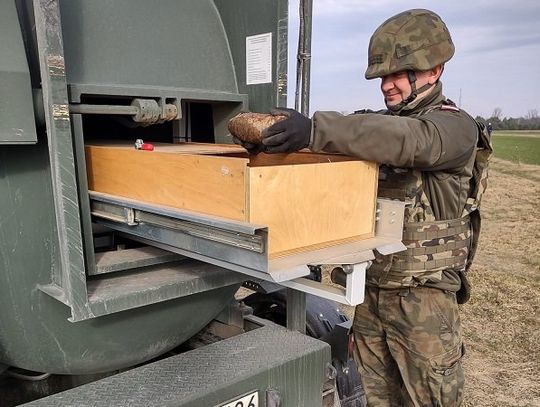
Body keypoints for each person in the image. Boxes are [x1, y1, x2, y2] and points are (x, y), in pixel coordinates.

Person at [238, 8, 492, 406]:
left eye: (397, 74)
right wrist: (284, 140)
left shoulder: (454, 128)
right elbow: (364, 134)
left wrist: (318, 129)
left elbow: (408, 141)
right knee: (372, 397)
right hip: (372, 292)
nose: (387, 87)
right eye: (382, 77)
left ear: (434, 70)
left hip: (422, 301)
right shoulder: (379, 127)